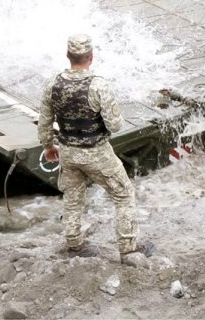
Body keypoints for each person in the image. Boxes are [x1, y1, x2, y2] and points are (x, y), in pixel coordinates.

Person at [37, 33, 139, 263]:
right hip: (97, 153)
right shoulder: (98, 86)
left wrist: (48, 145)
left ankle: (74, 244)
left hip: (68, 152)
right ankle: (128, 249)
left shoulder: (52, 84)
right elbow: (115, 124)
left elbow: (44, 120)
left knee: (73, 198)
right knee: (124, 195)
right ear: (90, 57)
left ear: (68, 56)